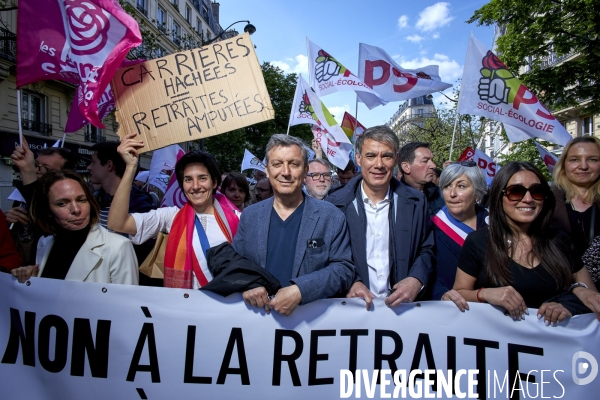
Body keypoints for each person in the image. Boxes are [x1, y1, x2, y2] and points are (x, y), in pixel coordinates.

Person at [445, 162, 600, 325]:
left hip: (557, 346)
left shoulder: (559, 240)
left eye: (537, 192)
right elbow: (458, 294)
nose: (528, 199)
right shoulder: (478, 242)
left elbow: (592, 297)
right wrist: (484, 294)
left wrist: (570, 304)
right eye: (516, 191)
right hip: (500, 344)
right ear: (499, 196)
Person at [232, 134, 355, 315]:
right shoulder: (250, 216)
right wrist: (247, 284)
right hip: (258, 324)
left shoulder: (331, 216)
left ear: (305, 171)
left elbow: (343, 269)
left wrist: (301, 290)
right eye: (277, 164)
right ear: (266, 170)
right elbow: (235, 264)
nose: (286, 172)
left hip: (310, 328)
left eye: (294, 164)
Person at [107, 133, 240, 289]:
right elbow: (117, 223)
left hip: (229, 307)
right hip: (185, 308)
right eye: (188, 179)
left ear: (214, 181)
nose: (195, 186)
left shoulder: (238, 217)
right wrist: (130, 168)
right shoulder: (171, 216)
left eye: (202, 178)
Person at [326, 126, 434, 310]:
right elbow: (327, 256)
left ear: (396, 159)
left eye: (386, 156)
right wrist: (350, 282)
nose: (379, 164)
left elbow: (427, 248)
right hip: (351, 311)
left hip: (402, 312)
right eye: (370, 156)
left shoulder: (417, 202)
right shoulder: (334, 204)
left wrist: (416, 280)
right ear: (358, 159)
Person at [10, 170, 138, 285]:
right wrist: (29, 280)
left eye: (81, 200)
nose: (76, 210)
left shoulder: (118, 246)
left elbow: (126, 305)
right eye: (62, 203)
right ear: (47, 210)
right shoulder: (44, 243)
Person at [430, 162, 488, 300]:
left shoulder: (495, 223)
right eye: (447, 186)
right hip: (452, 311)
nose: (452, 194)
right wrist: (441, 294)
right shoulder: (431, 229)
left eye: (461, 186)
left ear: (477, 192)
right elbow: (427, 275)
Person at [551, 136, 600, 289]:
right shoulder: (545, 201)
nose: (583, 166)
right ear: (564, 165)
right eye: (575, 159)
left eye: (592, 159)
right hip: (558, 293)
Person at [398, 142, 444, 216]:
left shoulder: (442, 195)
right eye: (425, 161)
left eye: (432, 160)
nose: (433, 166)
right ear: (406, 167)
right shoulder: (393, 199)